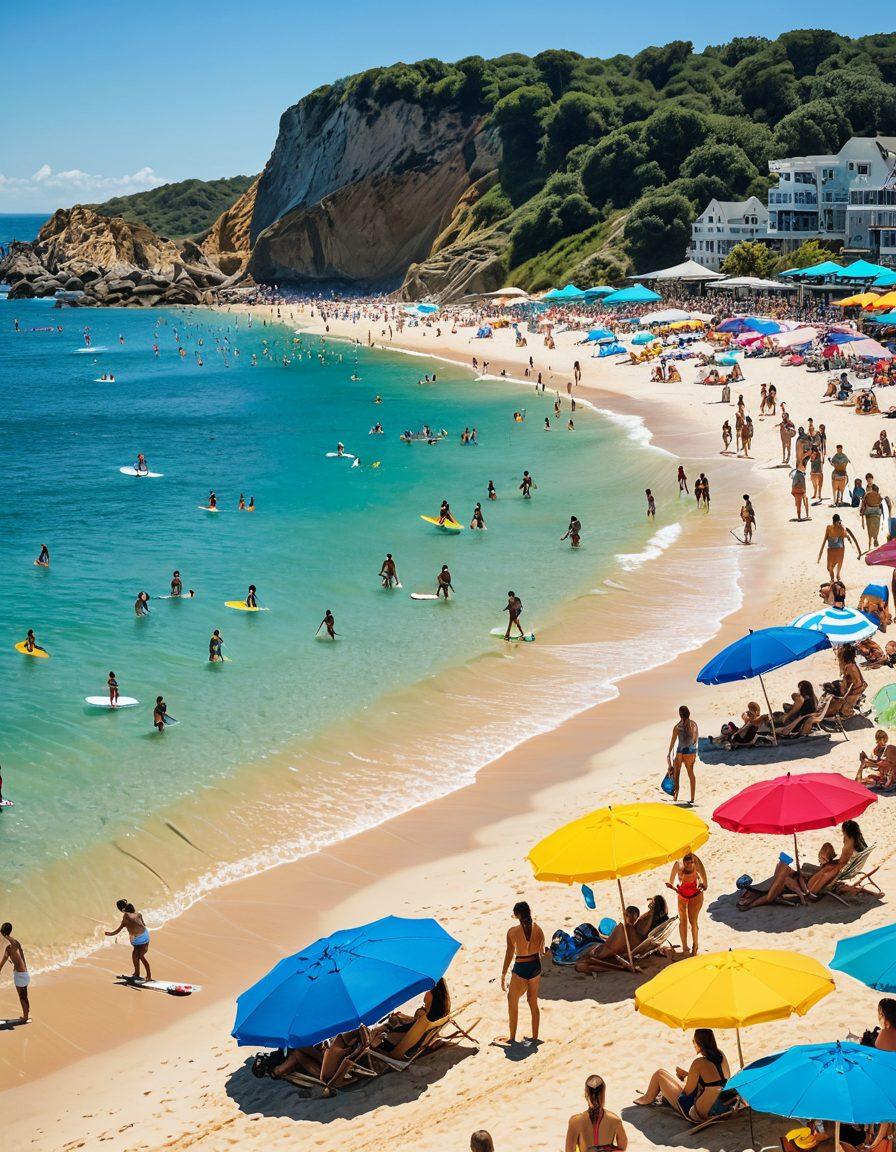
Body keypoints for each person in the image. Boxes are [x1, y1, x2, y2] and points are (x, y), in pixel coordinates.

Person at [635, 1029, 732, 1122]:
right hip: (722, 1104)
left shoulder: (699, 1063)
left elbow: (687, 1092)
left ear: (699, 1044)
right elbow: (715, 1080)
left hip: (700, 1111)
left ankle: (648, 1098)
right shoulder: (721, 1055)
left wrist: (686, 1079)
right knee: (674, 1077)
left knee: (660, 1074)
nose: (693, 1043)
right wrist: (689, 1076)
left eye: (694, 1041)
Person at [500, 901, 545, 1045]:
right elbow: (542, 952)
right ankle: (535, 1037)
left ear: (517, 915)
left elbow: (509, 954)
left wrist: (503, 974)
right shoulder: (538, 929)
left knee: (512, 1000)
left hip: (521, 967)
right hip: (535, 966)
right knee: (533, 1002)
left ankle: (512, 1037)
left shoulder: (512, 932)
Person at [565, 1075, 628, 1151]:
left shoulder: (575, 1121)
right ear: (603, 1094)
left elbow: (569, 1150)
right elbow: (622, 1148)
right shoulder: (615, 1120)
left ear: (586, 1094)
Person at [805, 820, 866, 897]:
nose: (842, 831)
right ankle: (812, 885)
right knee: (827, 847)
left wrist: (833, 866)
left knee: (825, 871)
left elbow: (844, 863)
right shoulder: (858, 841)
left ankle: (812, 892)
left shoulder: (849, 844)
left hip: (841, 868)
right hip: (846, 866)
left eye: (843, 831)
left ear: (846, 831)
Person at [667, 852, 708, 955]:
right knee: (683, 921)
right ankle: (685, 947)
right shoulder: (678, 865)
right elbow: (671, 881)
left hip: (695, 895)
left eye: (691, 862)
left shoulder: (695, 861)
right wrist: (672, 886)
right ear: (684, 863)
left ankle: (695, 946)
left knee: (693, 921)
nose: (690, 864)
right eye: (688, 863)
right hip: (682, 895)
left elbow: (703, 875)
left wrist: (704, 883)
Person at [105, 899, 151, 982]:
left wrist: (109, 934)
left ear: (121, 909)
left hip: (138, 940)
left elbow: (117, 931)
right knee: (138, 956)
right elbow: (143, 924)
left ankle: (145, 975)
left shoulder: (125, 919)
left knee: (137, 956)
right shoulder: (138, 914)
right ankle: (142, 974)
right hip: (146, 935)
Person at [667, 705, 698, 805]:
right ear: (689, 713)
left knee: (677, 773)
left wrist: (669, 753)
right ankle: (692, 798)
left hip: (680, 751)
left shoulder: (677, 727)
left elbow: (672, 742)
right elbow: (695, 740)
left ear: (680, 715)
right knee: (691, 774)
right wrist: (693, 751)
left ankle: (675, 796)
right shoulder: (694, 725)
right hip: (690, 751)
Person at [0, 923, 30, 1022]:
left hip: (20, 976)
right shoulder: (16, 943)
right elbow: (19, 955)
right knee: (24, 995)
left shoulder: (9, 947)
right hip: (25, 973)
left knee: (22, 997)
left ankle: (25, 1017)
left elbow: (3, 961)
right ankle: (26, 1014)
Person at [818, 515, 862, 581]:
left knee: (834, 565)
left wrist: (848, 537)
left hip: (838, 550)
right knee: (829, 568)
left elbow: (845, 535)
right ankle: (834, 577)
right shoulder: (832, 528)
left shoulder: (838, 528)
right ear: (836, 522)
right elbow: (825, 540)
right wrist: (848, 537)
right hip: (833, 550)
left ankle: (836, 575)